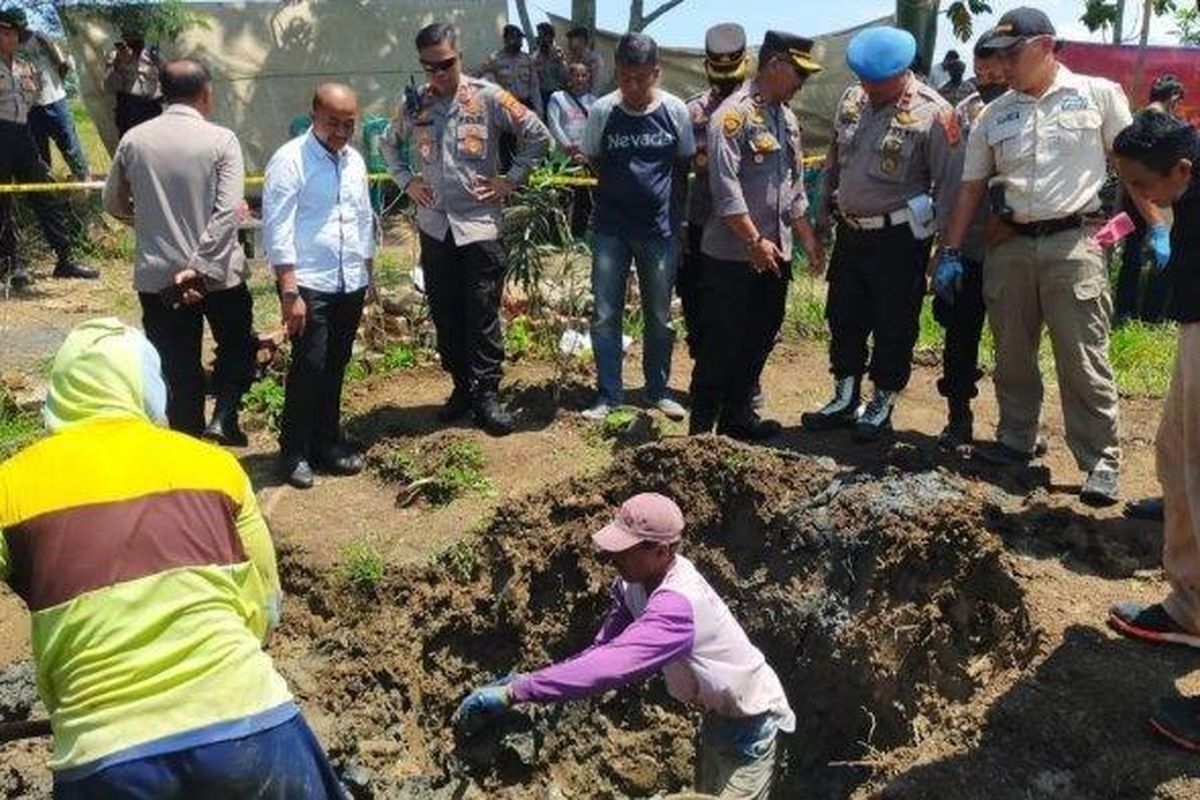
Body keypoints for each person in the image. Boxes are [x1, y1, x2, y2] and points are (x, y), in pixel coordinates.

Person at [0, 318, 343, 799]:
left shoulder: (11, 487)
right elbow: (267, 605)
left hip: (105, 759)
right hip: (251, 729)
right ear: (147, 386)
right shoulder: (214, 467)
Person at [453, 492, 795, 800]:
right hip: (715, 719)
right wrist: (529, 681)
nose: (611, 554)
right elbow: (601, 652)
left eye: (625, 549)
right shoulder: (634, 583)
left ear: (662, 552)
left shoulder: (677, 606)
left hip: (750, 726)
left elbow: (610, 668)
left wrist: (517, 692)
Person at [937, 7, 1132, 506]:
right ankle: (1015, 440)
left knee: (1082, 356)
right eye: (996, 56)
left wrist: (1153, 227)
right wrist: (951, 250)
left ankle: (1100, 461)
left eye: (1011, 55)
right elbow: (970, 188)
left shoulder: (1098, 94)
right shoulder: (994, 114)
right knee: (1013, 353)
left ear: (1045, 46)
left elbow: (1132, 169)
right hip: (1011, 246)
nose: (1001, 67)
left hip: (1075, 243)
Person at [382, 23, 551, 436]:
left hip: (478, 227)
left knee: (481, 312)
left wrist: (509, 180)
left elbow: (537, 135)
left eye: (445, 65)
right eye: (428, 67)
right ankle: (461, 387)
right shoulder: (415, 104)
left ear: (459, 55)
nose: (437, 75)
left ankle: (487, 393)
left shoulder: (489, 97)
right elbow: (389, 143)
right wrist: (407, 181)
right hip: (436, 227)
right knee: (446, 312)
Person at [803, 26, 962, 441]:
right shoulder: (853, 100)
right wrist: (821, 212)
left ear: (902, 71)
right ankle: (844, 394)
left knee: (894, 321)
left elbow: (949, 188)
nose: (868, 86)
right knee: (843, 314)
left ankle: (882, 400)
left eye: (877, 80)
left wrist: (944, 252)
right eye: (863, 78)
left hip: (899, 239)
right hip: (851, 232)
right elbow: (836, 158)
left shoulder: (935, 113)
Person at [1107, 112, 1200, 750]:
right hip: (1196, 327)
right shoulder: (1182, 181)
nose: (1141, 196)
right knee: (1178, 464)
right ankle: (1191, 609)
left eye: (1147, 185)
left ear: (1181, 171)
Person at [103, 58, 254, 446]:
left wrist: (150, 222)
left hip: (160, 280)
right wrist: (201, 265)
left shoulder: (133, 140)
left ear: (162, 94)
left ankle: (187, 444)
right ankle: (224, 417)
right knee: (237, 346)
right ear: (206, 94)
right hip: (220, 274)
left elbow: (114, 203)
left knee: (176, 364)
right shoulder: (222, 140)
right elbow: (226, 212)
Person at [690, 30, 824, 442]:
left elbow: (794, 190)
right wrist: (752, 241)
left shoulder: (787, 119)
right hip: (731, 258)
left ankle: (736, 417)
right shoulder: (732, 116)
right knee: (720, 342)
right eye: (797, 71)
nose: (802, 81)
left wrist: (808, 240)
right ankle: (701, 429)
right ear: (774, 65)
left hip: (774, 257)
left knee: (760, 336)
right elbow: (725, 190)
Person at [263, 83, 375, 489]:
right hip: (309, 282)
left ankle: (327, 441)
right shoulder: (290, 160)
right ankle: (292, 450)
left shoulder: (355, 162)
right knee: (309, 365)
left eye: (349, 124)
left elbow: (362, 218)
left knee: (336, 363)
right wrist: (289, 290)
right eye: (333, 123)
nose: (342, 132)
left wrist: (369, 272)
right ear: (314, 115)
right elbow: (277, 227)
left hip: (349, 279)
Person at [580, 32, 694, 423]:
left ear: (656, 73)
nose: (632, 87)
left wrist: (672, 221)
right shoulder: (602, 111)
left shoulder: (676, 111)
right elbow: (593, 159)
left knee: (659, 316)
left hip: (659, 232)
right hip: (610, 229)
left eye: (641, 79)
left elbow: (682, 166)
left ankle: (658, 390)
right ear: (617, 72)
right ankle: (608, 394)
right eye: (625, 78)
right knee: (605, 313)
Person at [929, 30, 1009, 449]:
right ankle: (958, 416)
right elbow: (950, 182)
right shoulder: (962, 113)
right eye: (981, 71)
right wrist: (944, 249)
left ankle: (1017, 427)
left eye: (994, 70)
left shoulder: (1031, 108)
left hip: (1015, 245)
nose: (987, 78)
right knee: (960, 335)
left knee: (1016, 340)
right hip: (970, 244)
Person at [0, 6, 97, 291]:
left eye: (10, 33)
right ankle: (12, 265)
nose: (8, 38)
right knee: (3, 203)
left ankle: (65, 259)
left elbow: (32, 99)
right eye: (3, 33)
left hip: (22, 132)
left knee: (44, 194)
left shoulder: (25, 66)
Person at [681, 23, 749, 359]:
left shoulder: (764, 109)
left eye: (731, 74)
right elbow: (677, 169)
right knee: (698, 300)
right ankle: (704, 374)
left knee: (746, 306)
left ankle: (744, 384)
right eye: (717, 73)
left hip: (748, 227)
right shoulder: (692, 111)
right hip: (702, 221)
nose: (724, 82)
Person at [1113, 74, 1184, 326]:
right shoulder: (1172, 128)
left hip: (1132, 203)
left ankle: (1123, 314)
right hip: (1161, 202)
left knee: (1131, 257)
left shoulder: (1131, 123)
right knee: (1162, 261)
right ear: (1174, 99)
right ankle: (1152, 319)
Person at [19, 25, 89, 180]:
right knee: (38, 152)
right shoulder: (10, 47)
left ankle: (83, 183)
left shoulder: (39, 37)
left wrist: (56, 85)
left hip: (55, 101)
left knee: (69, 144)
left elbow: (62, 63)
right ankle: (48, 191)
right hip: (30, 108)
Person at [546, 60, 596, 238]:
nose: (580, 79)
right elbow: (553, 124)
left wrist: (586, 152)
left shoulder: (593, 101)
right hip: (562, 158)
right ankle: (555, 237)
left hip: (584, 158)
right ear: (569, 78)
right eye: (576, 75)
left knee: (584, 200)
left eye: (584, 75)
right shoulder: (557, 98)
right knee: (559, 198)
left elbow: (595, 129)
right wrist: (568, 146)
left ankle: (578, 237)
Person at [102, 28, 163, 136]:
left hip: (152, 109)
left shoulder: (151, 54)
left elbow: (165, 79)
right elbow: (109, 87)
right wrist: (115, 65)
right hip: (129, 112)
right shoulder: (115, 57)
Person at [533, 22, 568, 114]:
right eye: (539, 35)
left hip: (557, 94)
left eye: (543, 35)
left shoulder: (558, 52)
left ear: (550, 37)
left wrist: (559, 61)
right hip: (542, 96)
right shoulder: (535, 56)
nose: (540, 38)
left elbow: (565, 76)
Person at [567, 26, 606, 95]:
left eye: (572, 38)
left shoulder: (594, 59)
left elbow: (596, 87)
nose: (569, 41)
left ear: (582, 40)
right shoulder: (572, 58)